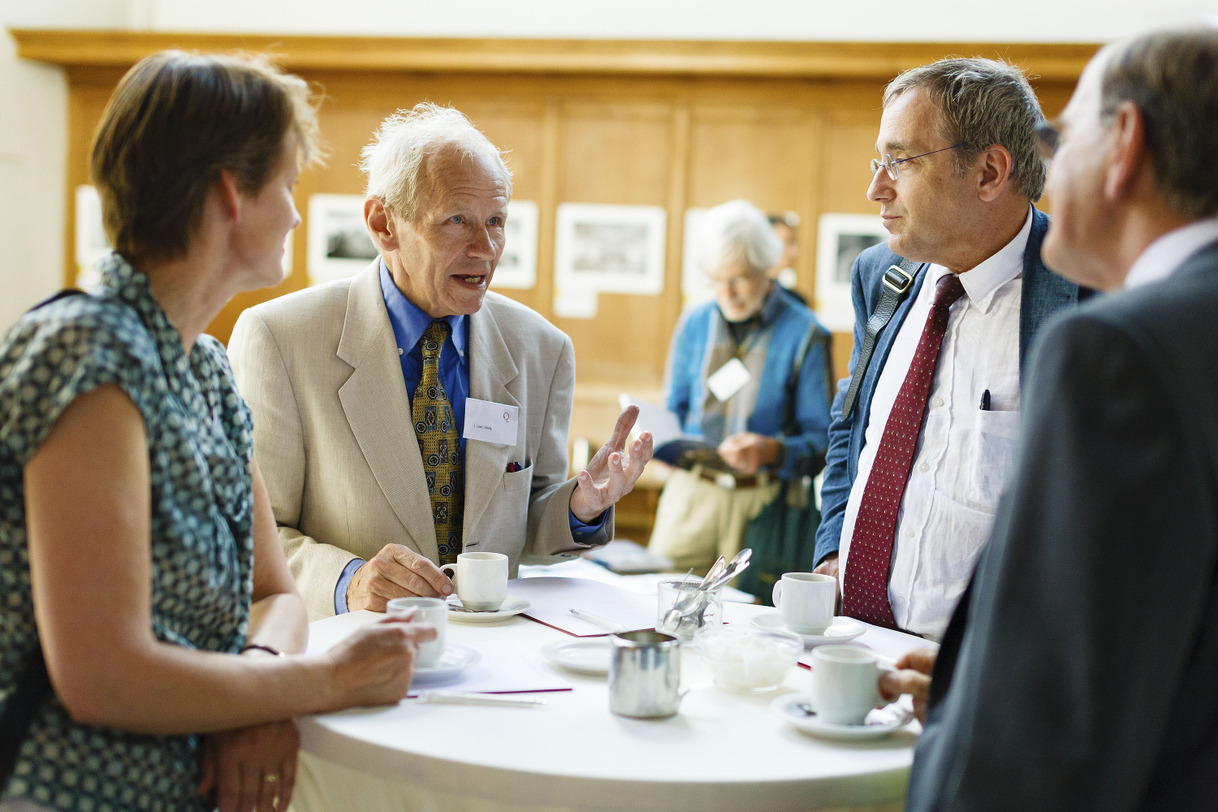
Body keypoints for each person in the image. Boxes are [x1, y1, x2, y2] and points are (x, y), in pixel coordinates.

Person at [0, 52, 435, 812]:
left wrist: (257, 694)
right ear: (231, 194)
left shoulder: (202, 364)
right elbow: (102, 674)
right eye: (289, 183)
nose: (299, 213)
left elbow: (276, 596)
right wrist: (317, 682)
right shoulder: (86, 353)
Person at [889, 26, 1218, 810]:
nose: (1045, 169)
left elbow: (1049, 711)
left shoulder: (1119, 349)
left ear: (1127, 144)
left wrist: (976, 715)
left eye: (1060, 139)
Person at [228, 103, 652, 621]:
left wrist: (582, 507)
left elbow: (527, 526)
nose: (486, 248)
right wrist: (350, 582)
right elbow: (251, 536)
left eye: (496, 221)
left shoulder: (542, 349)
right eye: (457, 221)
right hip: (351, 651)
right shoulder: (281, 338)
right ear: (383, 223)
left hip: (492, 662)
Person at [812, 57, 1086, 639]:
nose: (875, 188)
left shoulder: (1088, 301)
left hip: (975, 677)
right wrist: (832, 549)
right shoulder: (878, 274)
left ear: (989, 172)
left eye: (901, 161)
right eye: (877, 161)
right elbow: (852, 427)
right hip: (853, 639)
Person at [647, 200, 832, 575]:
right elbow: (675, 410)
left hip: (762, 503)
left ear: (767, 268)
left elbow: (823, 442)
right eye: (715, 280)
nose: (726, 292)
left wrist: (773, 451)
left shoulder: (806, 334)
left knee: (747, 626)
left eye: (739, 278)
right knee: (662, 606)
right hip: (691, 497)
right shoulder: (693, 323)